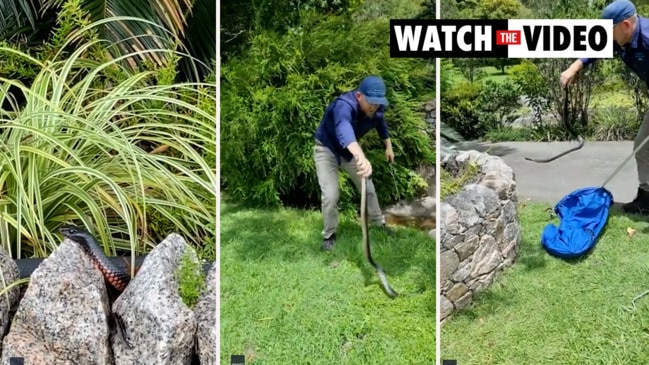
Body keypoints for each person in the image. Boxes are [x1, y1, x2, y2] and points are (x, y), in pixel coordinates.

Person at [561, 0, 649, 215]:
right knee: (643, 145)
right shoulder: (621, 37)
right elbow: (597, 48)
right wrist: (576, 65)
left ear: (626, 25)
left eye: (609, 31)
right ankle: (647, 198)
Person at [313, 75, 395, 251]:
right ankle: (329, 235)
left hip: (348, 153)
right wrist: (361, 156)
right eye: (371, 102)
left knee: (368, 187)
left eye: (378, 102)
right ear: (359, 96)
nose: (374, 106)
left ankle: (378, 224)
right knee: (330, 195)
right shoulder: (343, 105)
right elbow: (344, 129)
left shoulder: (376, 110)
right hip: (326, 150)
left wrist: (388, 147)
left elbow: (382, 125)